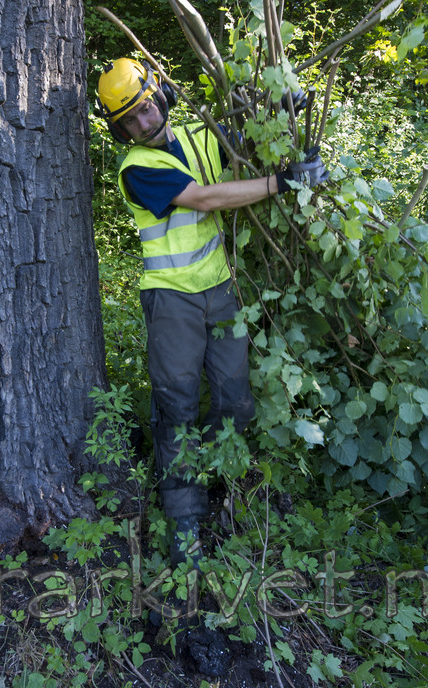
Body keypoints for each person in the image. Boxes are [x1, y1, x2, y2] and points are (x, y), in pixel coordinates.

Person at [95, 57, 328, 566]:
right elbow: (202, 199)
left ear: (161, 95)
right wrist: (282, 183)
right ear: (119, 130)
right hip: (171, 298)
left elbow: (244, 136)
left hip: (220, 290)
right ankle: (184, 522)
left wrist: (284, 110)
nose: (145, 122)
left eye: (147, 107)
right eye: (130, 120)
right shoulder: (138, 167)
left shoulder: (202, 131)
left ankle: (213, 480)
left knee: (235, 401)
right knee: (176, 406)